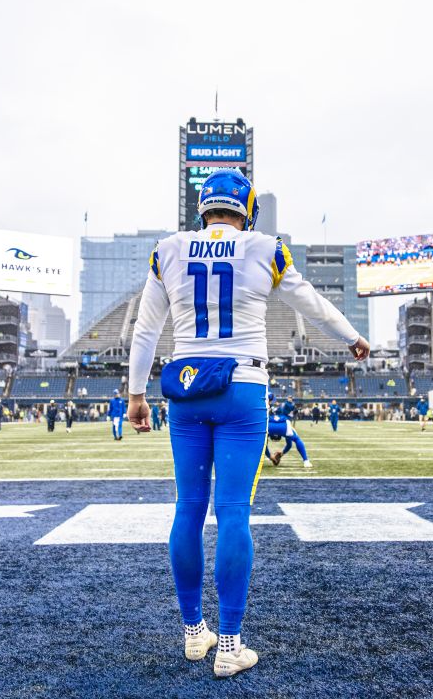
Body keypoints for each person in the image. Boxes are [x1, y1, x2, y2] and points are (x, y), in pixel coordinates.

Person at [124, 169, 369, 678]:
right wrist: (350, 336)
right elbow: (313, 303)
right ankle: (230, 645)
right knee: (233, 512)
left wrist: (135, 396)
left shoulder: (168, 249)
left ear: (203, 208)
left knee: (188, 508)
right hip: (242, 388)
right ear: (246, 209)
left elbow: (147, 328)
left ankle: (195, 633)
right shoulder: (264, 248)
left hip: (186, 387)